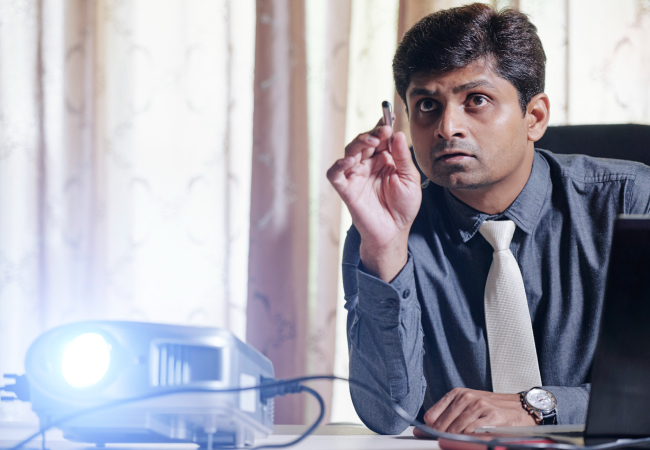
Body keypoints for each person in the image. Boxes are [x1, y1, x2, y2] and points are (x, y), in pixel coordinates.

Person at [326, 3, 650, 436]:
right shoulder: (384, 228)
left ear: (534, 118)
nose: (447, 127)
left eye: (476, 100)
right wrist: (385, 250)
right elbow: (387, 416)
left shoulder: (633, 201)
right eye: (427, 104)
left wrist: (538, 407)